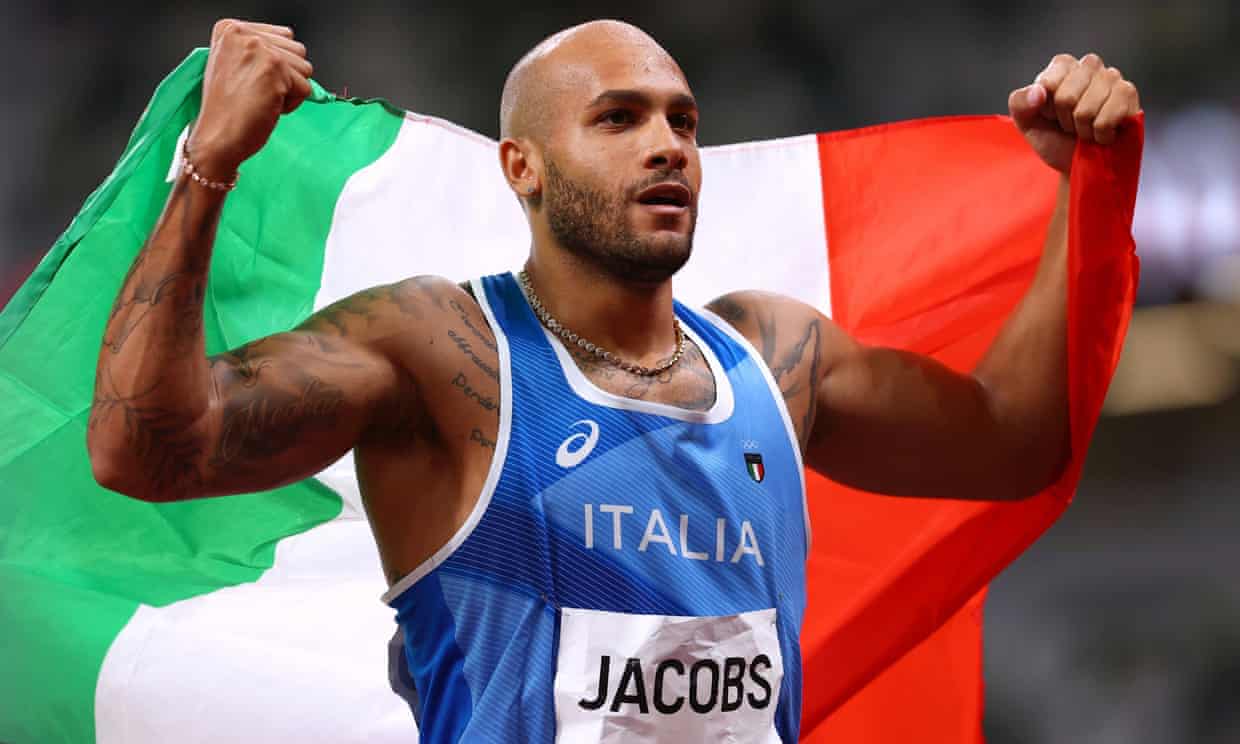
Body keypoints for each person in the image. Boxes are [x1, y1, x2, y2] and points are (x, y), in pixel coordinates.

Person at [87, 17, 1141, 743]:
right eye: (619, 118)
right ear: (523, 168)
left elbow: (1015, 441)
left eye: (683, 121)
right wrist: (208, 165)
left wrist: (1091, 185)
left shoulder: (774, 360)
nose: (668, 146)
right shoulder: (440, 353)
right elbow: (146, 449)